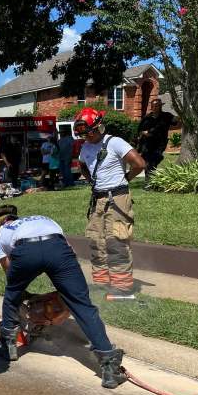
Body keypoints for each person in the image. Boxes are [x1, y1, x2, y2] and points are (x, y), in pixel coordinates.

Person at [0, 205, 126, 388]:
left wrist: (25, 295)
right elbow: (70, 251)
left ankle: (8, 347)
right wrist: (69, 294)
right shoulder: (42, 218)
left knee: (11, 296)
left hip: (26, 251)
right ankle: (110, 367)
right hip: (57, 247)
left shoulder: (3, 233)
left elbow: (10, 275)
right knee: (82, 305)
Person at [77, 108, 146, 299]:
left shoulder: (115, 143)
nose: (86, 137)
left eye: (88, 132)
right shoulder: (86, 147)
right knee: (96, 241)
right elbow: (82, 165)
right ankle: (101, 282)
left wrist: (123, 180)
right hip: (98, 199)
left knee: (116, 241)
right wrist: (92, 181)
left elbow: (139, 164)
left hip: (117, 199)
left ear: (99, 127)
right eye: (83, 134)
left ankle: (122, 287)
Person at [137, 98, 176, 186]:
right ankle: (149, 183)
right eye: (153, 106)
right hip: (147, 143)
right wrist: (144, 133)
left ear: (161, 106)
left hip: (159, 143)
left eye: (157, 106)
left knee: (152, 161)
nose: (155, 107)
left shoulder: (166, 116)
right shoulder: (147, 117)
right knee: (148, 163)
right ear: (151, 107)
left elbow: (176, 122)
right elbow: (139, 130)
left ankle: (149, 183)